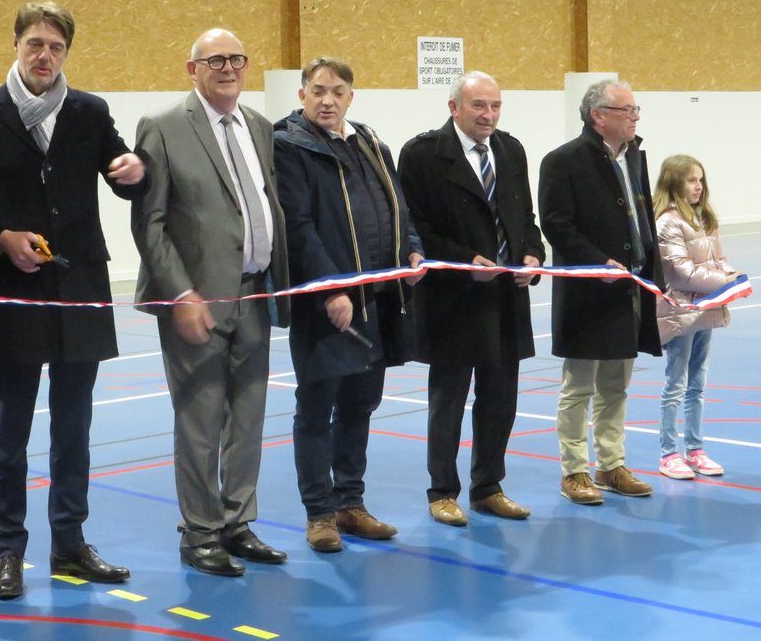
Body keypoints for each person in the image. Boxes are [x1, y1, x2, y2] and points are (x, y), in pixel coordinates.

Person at [0, 2, 145, 599]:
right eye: (35, 43)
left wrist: (132, 169)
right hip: (13, 291)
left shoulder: (89, 111)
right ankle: (9, 551)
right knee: (8, 431)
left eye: (56, 47)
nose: (45, 55)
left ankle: (69, 543)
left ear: (66, 52)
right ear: (15, 44)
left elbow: (120, 175)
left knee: (75, 427)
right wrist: (0, 239)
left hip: (81, 287)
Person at [131, 28, 290, 577]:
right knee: (199, 421)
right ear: (191, 68)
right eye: (215, 60)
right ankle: (200, 532)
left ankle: (237, 522)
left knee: (248, 418)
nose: (228, 67)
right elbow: (149, 223)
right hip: (194, 301)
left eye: (237, 59)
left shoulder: (260, 127)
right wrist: (180, 292)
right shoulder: (164, 127)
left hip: (255, 293)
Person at [273, 57, 423, 553]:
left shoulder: (371, 143)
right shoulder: (288, 146)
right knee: (316, 409)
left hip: (377, 300)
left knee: (360, 405)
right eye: (317, 91)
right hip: (327, 304)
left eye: (337, 91)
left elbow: (397, 204)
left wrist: (412, 247)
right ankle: (319, 514)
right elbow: (297, 227)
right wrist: (331, 288)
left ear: (351, 97)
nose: (327, 100)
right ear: (302, 95)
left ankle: (350, 503)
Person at [398, 71, 544, 526]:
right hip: (453, 298)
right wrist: (465, 259)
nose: (489, 115)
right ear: (454, 108)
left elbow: (525, 215)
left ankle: (488, 486)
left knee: (501, 398)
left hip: (506, 297)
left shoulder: (510, 149)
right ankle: (442, 490)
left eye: (496, 106)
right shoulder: (422, 154)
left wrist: (533, 254)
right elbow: (414, 225)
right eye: (479, 106)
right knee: (449, 399)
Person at [539, 78, 661, 506]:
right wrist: (595, 262)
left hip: (628, 292)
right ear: (598, 116)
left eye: (635, 109)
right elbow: (556, 224)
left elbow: (642, 221)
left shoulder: (635, 157)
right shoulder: (564, 161)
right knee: (579, 387)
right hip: (588, 293)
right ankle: (574, 471)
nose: (635, 117)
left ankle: (611, 464)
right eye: (627, 110)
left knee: (616, 386)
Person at [653, 155, 736, 480]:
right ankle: (668, 453)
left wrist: (734, 275)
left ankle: (695, 449)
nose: (698, 186)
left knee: (697, 384)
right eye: (691, 180)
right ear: (675, 182)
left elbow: (719, 260)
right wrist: (726, 282)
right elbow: (681, 272)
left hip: (706, 310)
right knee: (677, 383)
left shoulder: (704, 218)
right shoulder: (667, 222)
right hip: (680, 312)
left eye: (700, 179)